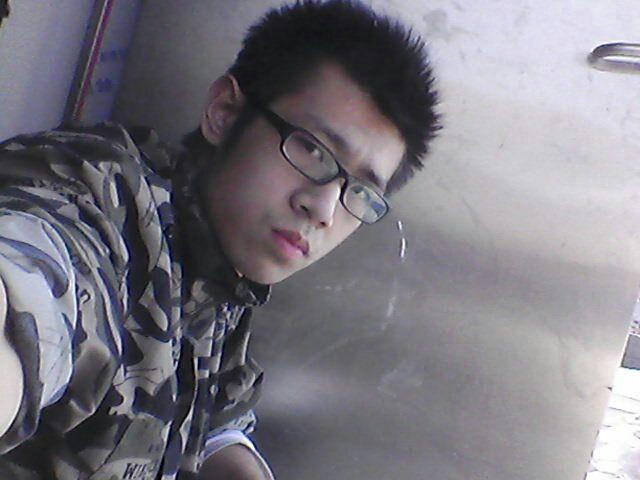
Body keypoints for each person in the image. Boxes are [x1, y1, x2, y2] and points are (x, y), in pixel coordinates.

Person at [0, 0, 439, 478]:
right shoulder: (101, 208)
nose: (324, 208)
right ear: (226, 112)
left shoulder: (223, 267)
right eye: (312, 150)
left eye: (360, 192)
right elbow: (38, 286)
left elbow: (213, 411)